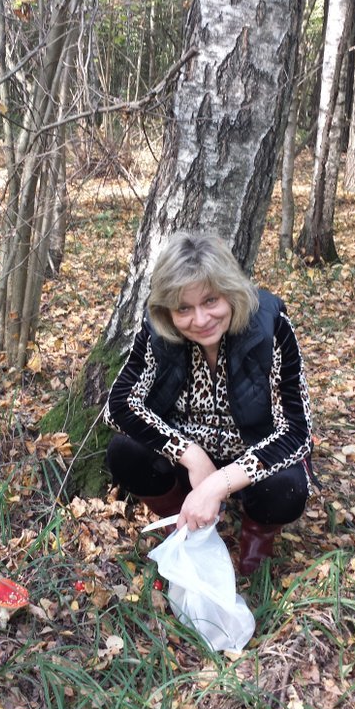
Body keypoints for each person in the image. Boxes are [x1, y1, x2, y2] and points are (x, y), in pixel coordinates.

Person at [103, 232, 318, 575]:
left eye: (211, 301)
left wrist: (220, 483)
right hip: (187, 459)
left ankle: (256, 538)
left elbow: (297, 431)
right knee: (124, 452)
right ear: (167, 310)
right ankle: (183, 520)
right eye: (183, 308)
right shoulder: (158, 332)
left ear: (230, 293)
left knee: (287, 487)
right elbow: (119, 405)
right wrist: (190, 455)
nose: (201, 320)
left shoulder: (270, 327)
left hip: (251, 458)